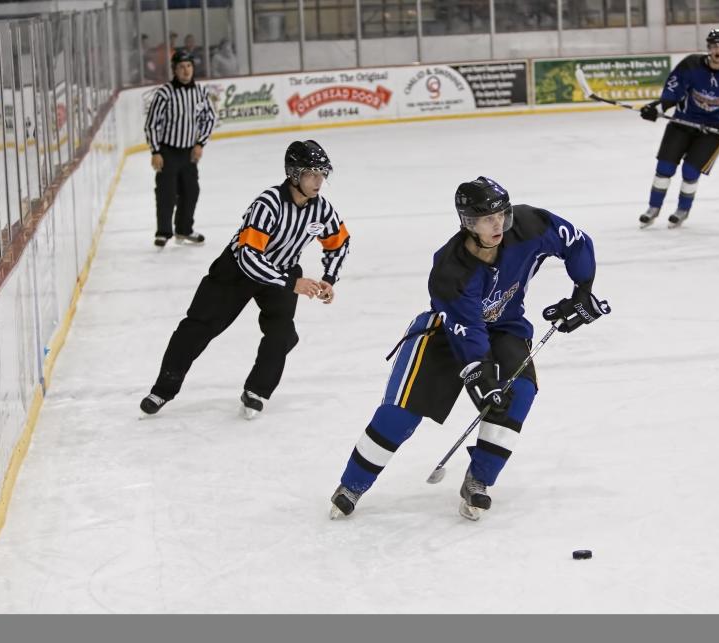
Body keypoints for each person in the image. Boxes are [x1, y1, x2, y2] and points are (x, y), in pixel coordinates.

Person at [328, 176, 610, 522]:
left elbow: (577, 242)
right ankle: (352, 485)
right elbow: (469, 331)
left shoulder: (530, 225)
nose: (499, 224)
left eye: (502, 215)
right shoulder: (450, 268)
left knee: (518, 393)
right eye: (488, 219)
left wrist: (582, 290)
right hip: (446, 332)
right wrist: (481, 374)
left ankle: (479, 479)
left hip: (505, 328)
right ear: (467, 222)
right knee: (401, 412)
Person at [139, 141, 351, 419]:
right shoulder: (268, 204)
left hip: (283, 271)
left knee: (281, 334)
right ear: (293, 174)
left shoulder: (321, 210)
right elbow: (249, 257)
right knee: (197, 328)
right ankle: (162, 390)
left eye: (322, 174)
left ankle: (256, 391)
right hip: (236, 272)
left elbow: (339, 242)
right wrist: (292, 284)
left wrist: (329, 278)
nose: (319, 181)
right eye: (312, 174)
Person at [637, 28, 719, 229]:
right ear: (708, 48)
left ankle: (683, 209)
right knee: (664, 168)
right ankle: (653, 208)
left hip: (712, 131)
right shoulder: (691, 65)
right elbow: (673, 90)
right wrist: (659, 107)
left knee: (690, 171)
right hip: (682, 122)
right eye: (714, 46)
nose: (718, 50)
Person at [144, 50, 218, 247]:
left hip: (189, 153)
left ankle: (184, 229)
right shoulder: (165, 93)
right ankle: (163, 232)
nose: (186, 70)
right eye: (181, 67)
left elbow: (210, 118)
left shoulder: (200, 92)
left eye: (189, 66)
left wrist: (200, 143)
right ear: (174, 70)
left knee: (191, 191)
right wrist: (155, 151)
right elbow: (152, 124)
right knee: (166, 193)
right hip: (168, 152)